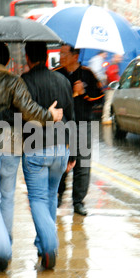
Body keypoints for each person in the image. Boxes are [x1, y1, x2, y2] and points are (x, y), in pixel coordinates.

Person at [0, 42, 63, 272]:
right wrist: (48, 116)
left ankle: (2, 250)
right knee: (7, 198)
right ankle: (6, 243)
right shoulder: (14, 81)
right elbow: (27, 111)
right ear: (9, 61)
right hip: (11, 147)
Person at [20, 41, 75, 269]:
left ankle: (50, 245)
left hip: (35, 149)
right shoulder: (63, 80)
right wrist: (73, 153)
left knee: (38, 199)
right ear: (45, 57)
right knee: (51, 196)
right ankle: (43, 245)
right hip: (61, 148)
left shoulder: (23, 82)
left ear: (28, 58)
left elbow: (18, 117)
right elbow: (71, 116)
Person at [54, 44, 104, 216]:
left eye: (64, 53)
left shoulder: (87, 74)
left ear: (75, 56)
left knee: (82, 164)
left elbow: (100, 98)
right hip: (62, 125)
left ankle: (78, 201)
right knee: (61, 162)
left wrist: (84, 92)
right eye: (60, 53)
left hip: (83, 124)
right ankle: (58, 195)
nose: (61, 56)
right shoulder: (56, 74)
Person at [103, 54, 122, 124]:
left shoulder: (113, 65)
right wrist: (117, 82)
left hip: (111, 87)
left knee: (109, 103)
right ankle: (105, 118)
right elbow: (111, 76)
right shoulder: (113, 66)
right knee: (109, 103)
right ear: (115, 57)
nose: (120, 59)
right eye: (119, 57)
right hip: (112, 88)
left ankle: (107, 117)